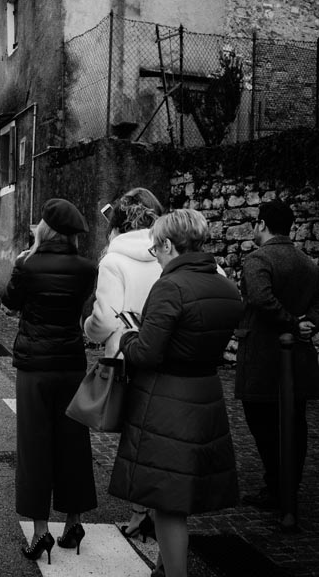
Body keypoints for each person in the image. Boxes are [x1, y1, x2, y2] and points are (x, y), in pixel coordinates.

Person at [109, 209, 243, 577]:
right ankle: (164, 567)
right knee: (177, 492)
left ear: (168, 244)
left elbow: (147, 353)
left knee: (167, 500)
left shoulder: (170, 286)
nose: (156, 255)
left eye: (156, 248)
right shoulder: (225, 285)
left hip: (166, 398)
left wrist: (128, 335)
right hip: (205, 394)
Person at [1, 198, 98, 565]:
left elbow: (10, 301)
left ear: (45, 228)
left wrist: (24, 262)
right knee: (74, 442)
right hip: (71, 363)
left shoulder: (27, 263)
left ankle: (40, 530)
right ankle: (74, 522)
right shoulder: (87, 269)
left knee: (35, 445)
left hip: (34, 366)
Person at [83, 187, 164, 541]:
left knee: (133, 437)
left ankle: (139, 512)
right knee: (160, 436)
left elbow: (103, 317)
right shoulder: (171, 252)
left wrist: (90, 330)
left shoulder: (113, 261)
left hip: (126, 357)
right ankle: (157, 510)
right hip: (167, 357)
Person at [235, 199, 319, 514]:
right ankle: (288, 484)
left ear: (262, 225)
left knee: (262, 422)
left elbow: (260, 298)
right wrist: (308, 322)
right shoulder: (307, 262)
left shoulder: (258, 260)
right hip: (299, 357)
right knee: (295, 422)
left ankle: (277, 486)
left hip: (263, 358)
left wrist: (294, 322)